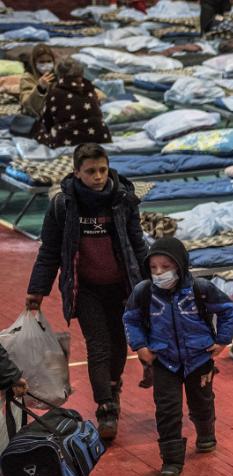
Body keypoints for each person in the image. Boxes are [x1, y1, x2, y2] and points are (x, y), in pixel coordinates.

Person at [26, 144, 148, 443]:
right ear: (77, 172)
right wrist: (37, 290)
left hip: (122, 288)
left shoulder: (123, 200)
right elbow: (50, 251)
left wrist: (150, 283)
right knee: (99, 345)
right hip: (86, 288)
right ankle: (105, 407)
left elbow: (137, 244)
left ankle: (113, 386)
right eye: (91, 171)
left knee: (120, 344)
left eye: (102, 170)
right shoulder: (62, 206)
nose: (98, 177)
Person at [122, 238, 233, 476]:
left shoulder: (200, 288)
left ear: (180, 266)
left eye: (165, 266)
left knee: (202, 401)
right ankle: (171, 462)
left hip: (199, 359)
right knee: (167, 410)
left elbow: (227, 310)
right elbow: (130, 320)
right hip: (164, 361)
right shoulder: (144, 292)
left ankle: (206, 432)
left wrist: (222, 340)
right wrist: (140, 346)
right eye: (153, 268)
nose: (159, 273)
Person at [33, 58, 110, 149]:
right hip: (101, 135)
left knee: (38, 130)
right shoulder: (90, 89)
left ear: (59, 74)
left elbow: (47, 121)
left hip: (69, 138)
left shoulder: (55, 93)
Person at [18, 44, 55, 118]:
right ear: (34, 63)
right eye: (42, 62)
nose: (46, 65)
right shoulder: (28, 77)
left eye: (49, 61)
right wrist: (40, 89)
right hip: (35, 117)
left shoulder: (57, 75)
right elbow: (27, 103)